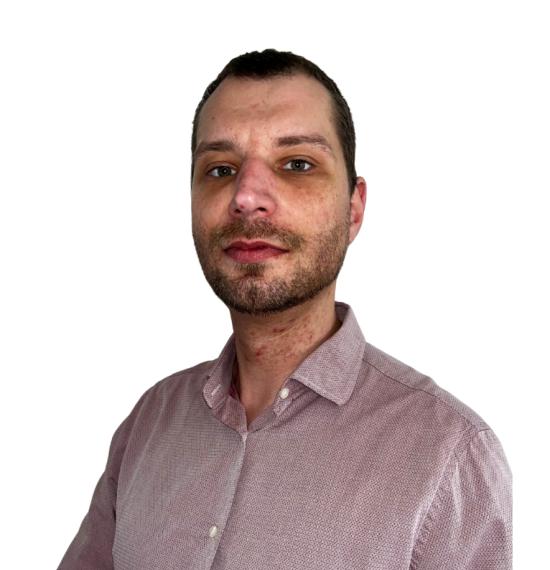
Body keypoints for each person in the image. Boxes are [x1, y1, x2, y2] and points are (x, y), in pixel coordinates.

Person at [58, 49, 512, 570]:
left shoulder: (449, 456)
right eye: (220, 169)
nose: (246, 196)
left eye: (297, 164)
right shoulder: (149, 424)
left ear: (353, 209)